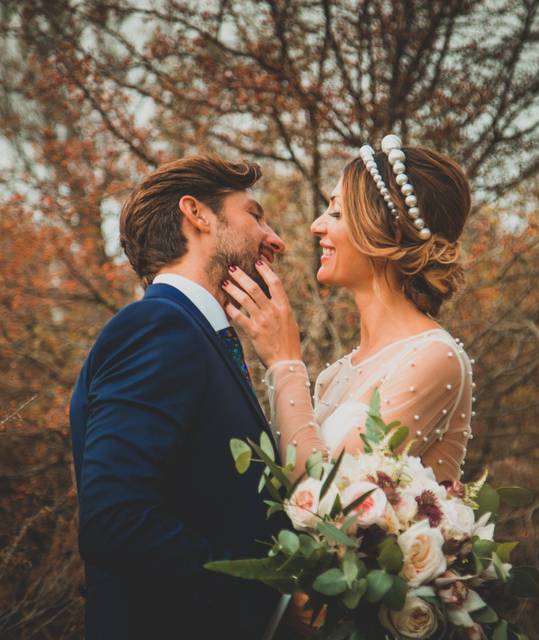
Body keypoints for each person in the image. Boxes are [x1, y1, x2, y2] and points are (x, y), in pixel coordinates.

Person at [68, 155, 286, 639]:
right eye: (254, 214)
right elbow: (113, 521)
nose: (275, 239)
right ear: (198, 214)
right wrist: (266, 590)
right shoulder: (157, 326)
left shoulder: (199, 336)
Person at [222, 135, 475, 482]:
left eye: (337, 212)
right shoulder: (335, 376)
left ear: (391, 229)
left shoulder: (433, 358)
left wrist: (285, 362)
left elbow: (329, 501)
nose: (316, 226)